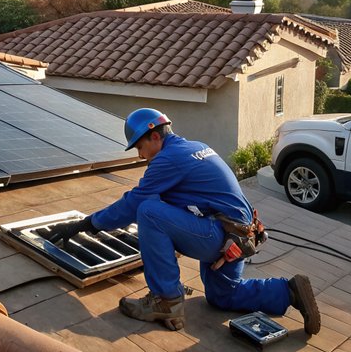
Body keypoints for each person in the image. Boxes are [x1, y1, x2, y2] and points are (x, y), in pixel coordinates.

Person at [45, 108, 320, 334]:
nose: (140, 156)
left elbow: (134, 203)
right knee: (222, 296)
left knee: (148, 211)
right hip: (240, 237)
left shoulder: (169, 159)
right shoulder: (197, 147)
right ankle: (288, 291)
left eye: (140, 147)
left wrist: (87, 224)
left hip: (220, 235)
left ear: (154, 136)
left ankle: (166, 301)